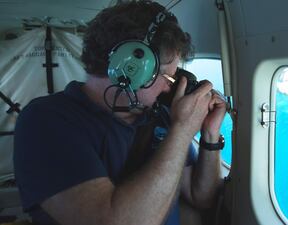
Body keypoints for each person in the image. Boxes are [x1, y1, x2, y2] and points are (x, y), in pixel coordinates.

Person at [13, 1, 226, 225]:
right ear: (130, 67)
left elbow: (201, 197)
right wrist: (182, 131)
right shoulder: (45, 122)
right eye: (167, 77)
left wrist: (209, 136)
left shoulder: (160, 116)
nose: (169, 88)